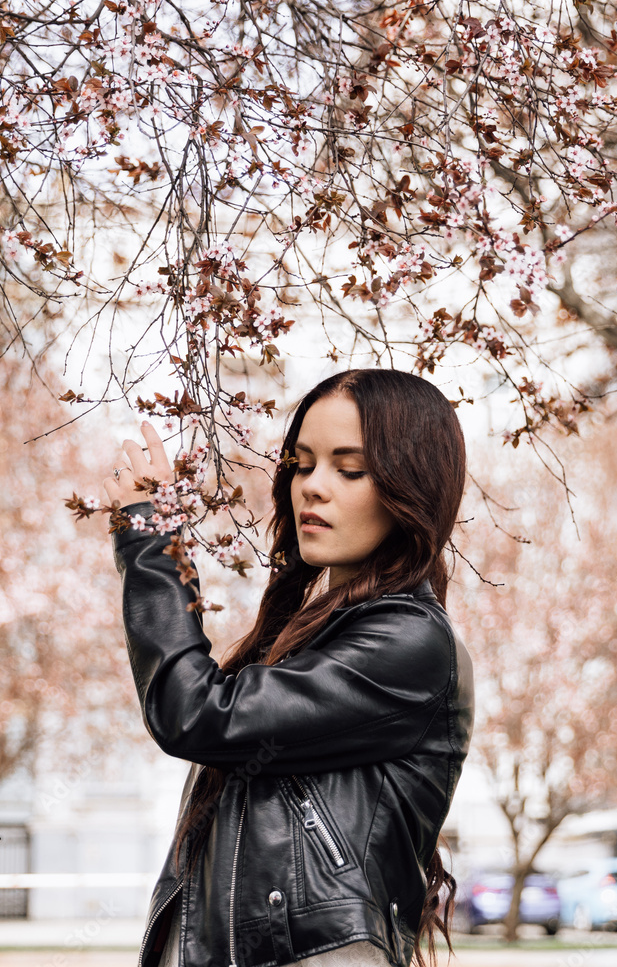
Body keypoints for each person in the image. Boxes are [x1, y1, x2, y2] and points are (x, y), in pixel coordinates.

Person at [103, 368, 474, 967]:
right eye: (303, 464)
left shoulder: (409, 642)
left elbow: (194, 713)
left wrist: (151, 541)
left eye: (349, 469)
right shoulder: (309, 637)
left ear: (412, 487)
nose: (313, 487)